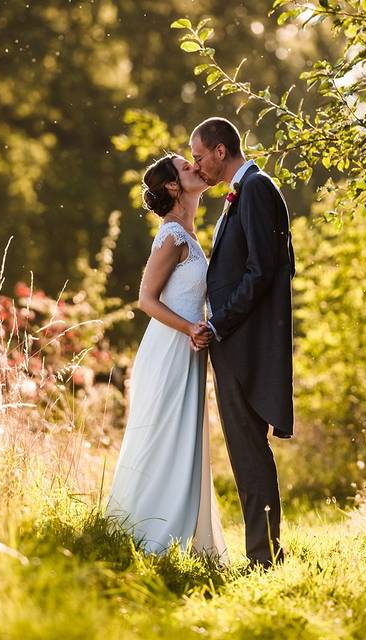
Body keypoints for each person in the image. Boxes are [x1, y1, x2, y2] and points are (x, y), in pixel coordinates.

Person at [106, 153, 228, 562]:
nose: (197, 168)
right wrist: (190, 328)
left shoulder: (188, 234)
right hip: (168, 350)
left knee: (183, 440)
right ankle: (146, 533)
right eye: (187, 166)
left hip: (189, 352)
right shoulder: (172, 236)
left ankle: (175, 532)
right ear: (174, 187)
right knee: (160, 438)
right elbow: (145, 300)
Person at [188, 117, 296, 569]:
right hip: (239, 340)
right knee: (248, 450)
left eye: (198, 157)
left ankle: (264, 558)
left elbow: (262, 271)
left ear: (219, 150)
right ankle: (266, 552)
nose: (198, 167)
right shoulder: (249, 189)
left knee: (248, 451)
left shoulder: (253, 188)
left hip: (242, 342)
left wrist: (219, 325)